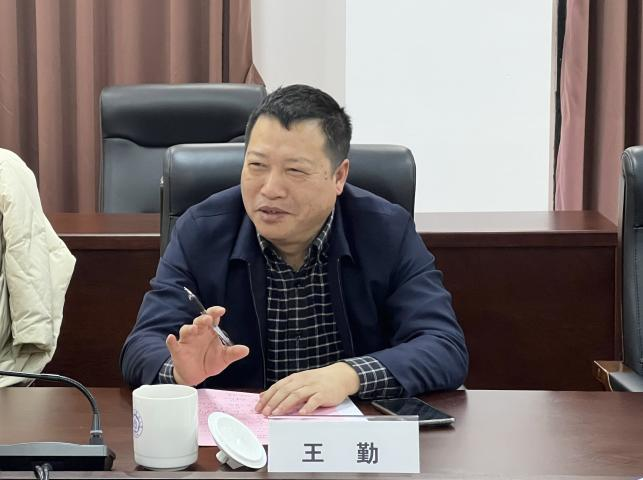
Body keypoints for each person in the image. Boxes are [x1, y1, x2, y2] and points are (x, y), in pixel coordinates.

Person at [120, 84, 468, 416]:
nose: (270, 189)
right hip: (241, 442)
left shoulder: (386, 230)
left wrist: (347, 375)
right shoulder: (201, 231)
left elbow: (444, 346)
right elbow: (141, 346)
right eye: (257, 166)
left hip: (351, 440)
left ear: (339, 176)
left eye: (295, 170)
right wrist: (180, 371)